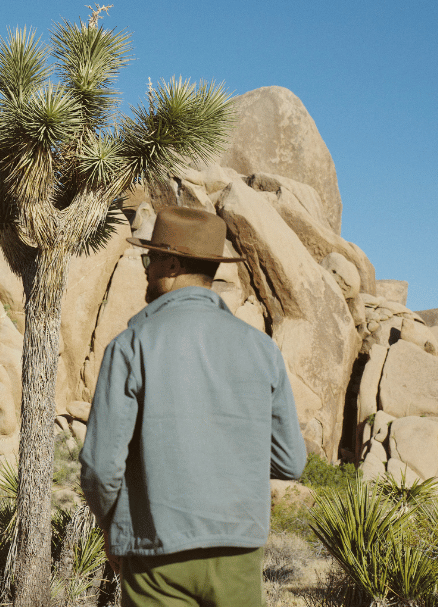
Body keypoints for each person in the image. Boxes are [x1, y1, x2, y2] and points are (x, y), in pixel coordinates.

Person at [80, 206, 308, 607]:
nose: (146, 269)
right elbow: (291, 461)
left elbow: (101, 467)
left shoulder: (132, 346)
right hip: (238, 551)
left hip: (155, 554)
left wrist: (111, 529)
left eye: (150, 259)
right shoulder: (261, 349)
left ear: (170, 263)